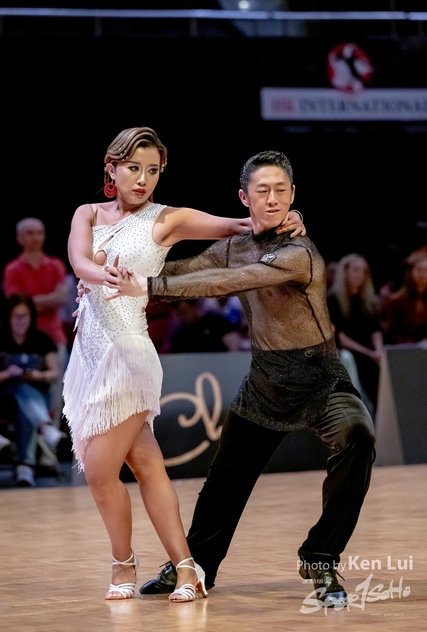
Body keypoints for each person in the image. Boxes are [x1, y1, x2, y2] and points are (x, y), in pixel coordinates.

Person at [104, 150, 376, 608]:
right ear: (243, 197)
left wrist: (148, 288)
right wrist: (115, 275)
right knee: (225, 480)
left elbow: (225, 283)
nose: (272, 199)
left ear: (293, 195)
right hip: (265, 381)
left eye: (281, 190)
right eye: (262, 190)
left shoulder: (299, 252)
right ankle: (197, 564)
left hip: (320, 378)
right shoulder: (234, 245)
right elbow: (186, 269)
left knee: (358, 437)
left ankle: (320, 556)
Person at [65, 128, 304, 602]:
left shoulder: (166, 219)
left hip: (128, 356)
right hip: (87, 356)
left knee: (98, 470)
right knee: (148, 465)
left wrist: (284, 216)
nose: (143, 179)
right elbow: (78, 262)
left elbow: (238, 225)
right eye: (134, 168)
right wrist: (100, 273)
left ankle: (122, 564)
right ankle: (188, 569)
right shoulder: (86, 213)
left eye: (153, 171)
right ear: (111, 168)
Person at [3, 218, 69, 425]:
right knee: (22, 387)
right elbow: (15, 305)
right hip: (23, 339)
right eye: (30, 233)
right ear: (19, 238)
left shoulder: (55, 266)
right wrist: (47, 300)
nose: (35, 238)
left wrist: (29, 301)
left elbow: (62, 298)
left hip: (53, 336)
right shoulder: (13, 269)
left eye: (39, 232)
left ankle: (52, 434)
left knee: (57, 387)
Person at [0, 294, 66, 487]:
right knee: (19, 388)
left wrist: (37, 375)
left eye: (25, 316)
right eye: (16, 316)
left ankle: (25, 466)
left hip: (37, 396)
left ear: (31, 317)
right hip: (4, 399)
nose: (21, 321)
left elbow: (55, 373)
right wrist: (7, 373)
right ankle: (44, 432)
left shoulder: (42, 339)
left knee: (24, 398)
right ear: (9, 317)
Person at [327, 254, 383, 414]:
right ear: (345, 272)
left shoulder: (369, 302)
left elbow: (375, 330)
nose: (360, 275)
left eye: (364, 271)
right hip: (350, 353)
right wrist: (369, 353)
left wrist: (378, 350)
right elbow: (340, 338)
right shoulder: (332, 301)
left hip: (370, 353)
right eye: (356, 270)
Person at [381, 250, 427, 344]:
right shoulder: (396, 302)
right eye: (419, 270)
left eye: (426, 271)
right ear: (410, 273)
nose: (422, 275)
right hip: (404, 349)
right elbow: (392, 334)